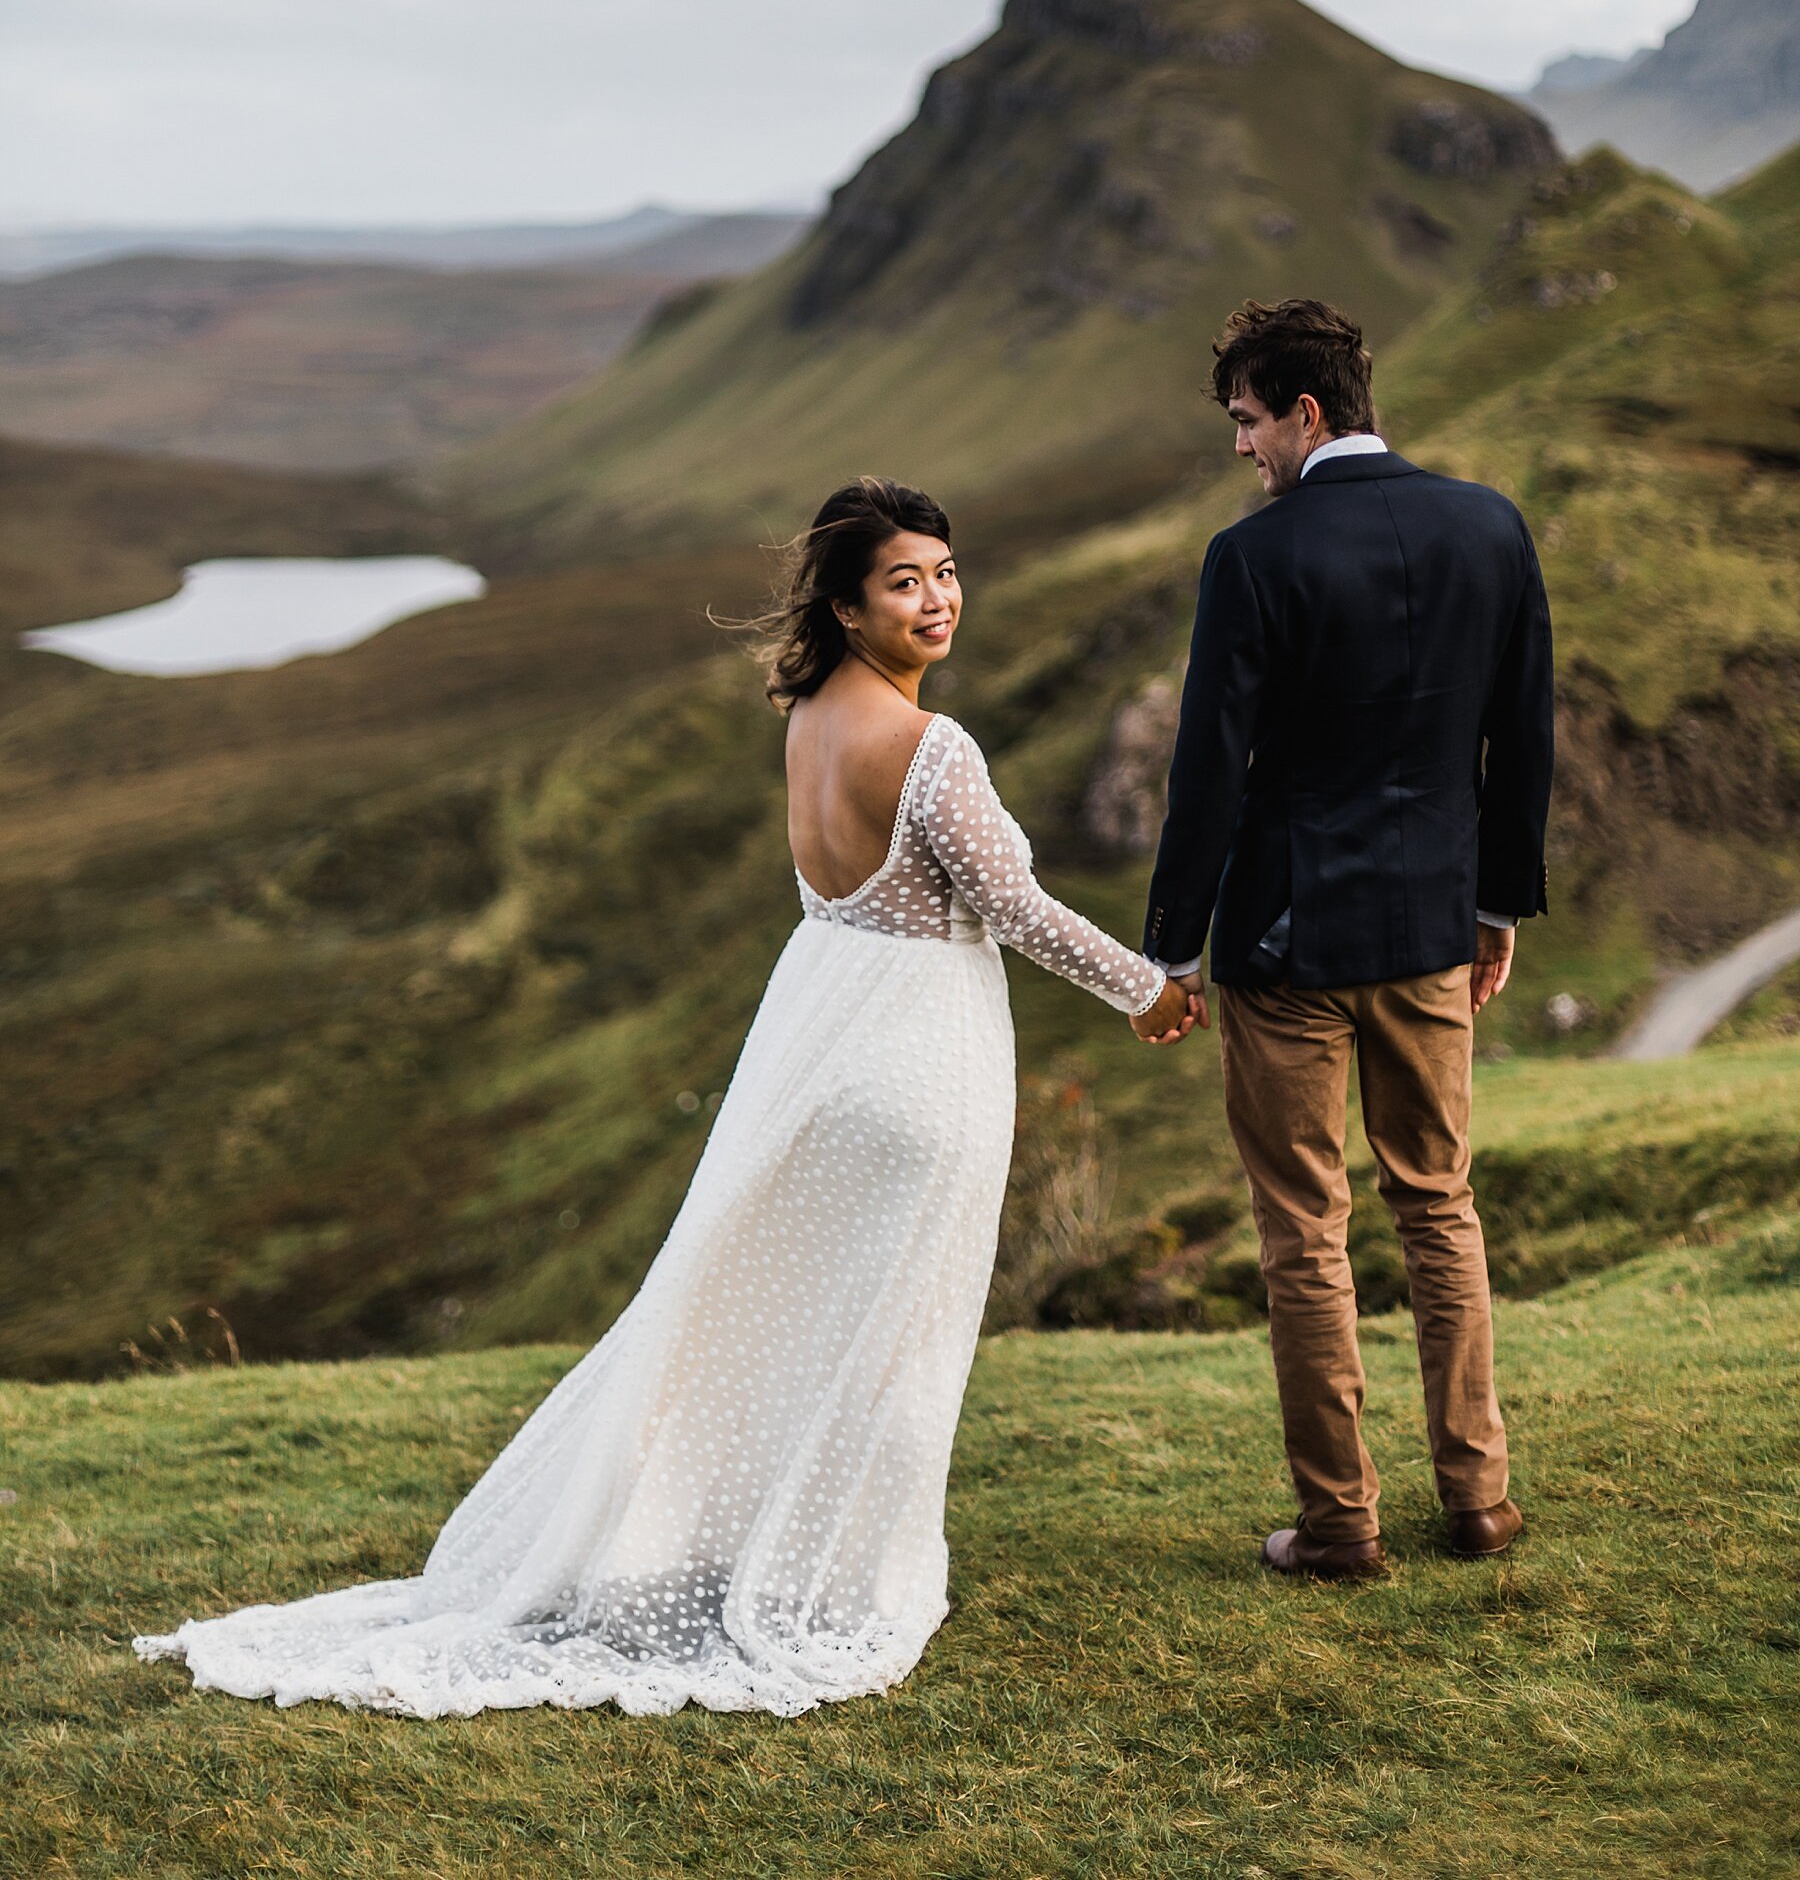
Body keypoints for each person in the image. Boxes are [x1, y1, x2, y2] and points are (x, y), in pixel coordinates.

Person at [137, 478, 1197, 1718]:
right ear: (850, 607)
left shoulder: (807, 714)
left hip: (823, 1035)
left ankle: (725, 1542)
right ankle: (834, 1575)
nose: (938, 598)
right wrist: (1145, 988)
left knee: (785, 1319)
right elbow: (1011, 909)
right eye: (905, 581)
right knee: (889, 1334)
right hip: (916, 1054)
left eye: (947, 572)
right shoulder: (927, 747)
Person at [1144, 298, 1553, 1579]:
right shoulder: (1491, 526)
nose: (1241, 449)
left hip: (1285, 945)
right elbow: (1524, 736)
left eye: (1248, 421)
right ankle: (1479, 1500)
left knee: (1305, 1235)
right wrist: (1496, 908)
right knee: (1440, 1208)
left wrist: (1173, 946)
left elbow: (1206, 773)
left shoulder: (1253, 559)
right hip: (1432, 931)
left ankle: (1340, 1526)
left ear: (1306, 412)